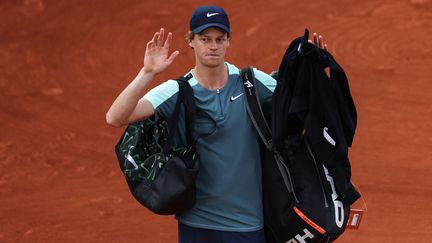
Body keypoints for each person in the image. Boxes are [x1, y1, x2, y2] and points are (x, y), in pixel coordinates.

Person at [106, 5, 327, 243]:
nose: (213, 46)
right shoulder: (178, 90)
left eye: (220, 39)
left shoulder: (251, 83)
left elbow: (300, 102)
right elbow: (115, 117)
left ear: (228, 41)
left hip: (247, 224)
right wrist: (147, 73)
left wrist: (314, 69)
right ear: (191, 41)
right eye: (205, 39)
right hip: (196, 222)